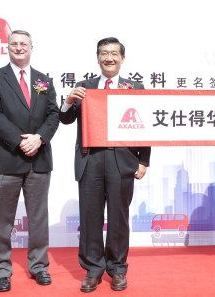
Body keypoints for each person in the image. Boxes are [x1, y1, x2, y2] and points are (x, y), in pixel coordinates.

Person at [59, 37, 151, 292]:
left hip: (122, 161)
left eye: (114, 53)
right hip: (91, 160)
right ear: (97, 58)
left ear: (122, 58)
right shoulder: (83, 87)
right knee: (90, 218)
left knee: (119, 218)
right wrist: (68, 101)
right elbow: (65, 119)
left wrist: (143, 160)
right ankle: (93, 270)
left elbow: (145, 127)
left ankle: (118, 269)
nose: (108, 57)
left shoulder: (135, 88)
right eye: (103, 53)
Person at [0, 30, 59, 292]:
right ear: (7, 48)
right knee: (1, 220)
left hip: (39, 159)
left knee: (38, 219)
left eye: (23, 43)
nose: (18, 47)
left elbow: (53, 115)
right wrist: (19, 140)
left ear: (31, 47)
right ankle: (1, 270)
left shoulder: (44, 81)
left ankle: (39, 267)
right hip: (5, 159)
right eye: (13, 43)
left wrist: (39, 139)